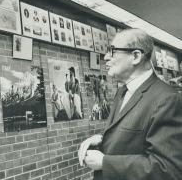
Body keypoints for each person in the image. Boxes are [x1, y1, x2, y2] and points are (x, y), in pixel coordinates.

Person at [78, 28, 182, 180]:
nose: (106, 57)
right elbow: (133, 136)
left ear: (135, 56)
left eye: (112, 51)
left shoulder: (167, 99)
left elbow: (167, 169)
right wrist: (100, 140)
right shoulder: (122, 92)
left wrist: (105, 163)